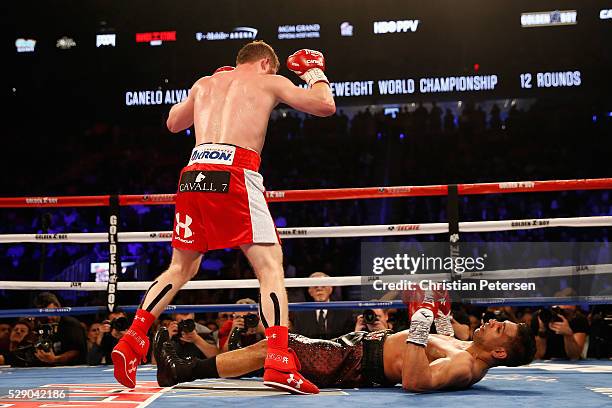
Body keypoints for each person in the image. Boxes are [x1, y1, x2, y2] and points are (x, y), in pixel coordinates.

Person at [112, 40, 335, 395]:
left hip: (192, 174)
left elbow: (172, 122)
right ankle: (279, 360)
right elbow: (325, 105)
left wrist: (206, 90)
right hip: (234, 171)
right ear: (265, 63)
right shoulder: (268, 80)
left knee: (180, 268)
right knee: (270, 267)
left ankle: (131, 339)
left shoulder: (205, 83)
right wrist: (314, 71)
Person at [154, 296, 536, 392]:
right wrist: (437, 323)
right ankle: (197, 367)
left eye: (500, 327)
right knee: (273, 349)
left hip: (354, 362)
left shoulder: (467, 367)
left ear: (499, 351)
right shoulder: (467, 350)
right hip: (354, 349)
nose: (493, 321)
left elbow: (417, 381)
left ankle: (181, 371)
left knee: (274, 347)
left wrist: (418, 332)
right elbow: (444, 347)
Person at [291, 272, 354, 339]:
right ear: (310, 291)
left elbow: (349, 340)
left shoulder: (344, 312)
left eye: (323, 285)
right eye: (315, 286)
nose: (319, 289)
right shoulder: (300, 315)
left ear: (330, 289)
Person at [33, 292, 87, 366]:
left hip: (72, 368)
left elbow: (77, 351)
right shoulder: (38, 325)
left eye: (51, 313)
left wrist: (55, 359)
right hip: (46, 368)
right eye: (43, 314)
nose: (49, 317)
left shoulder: (71, 324)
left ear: (58, 308)